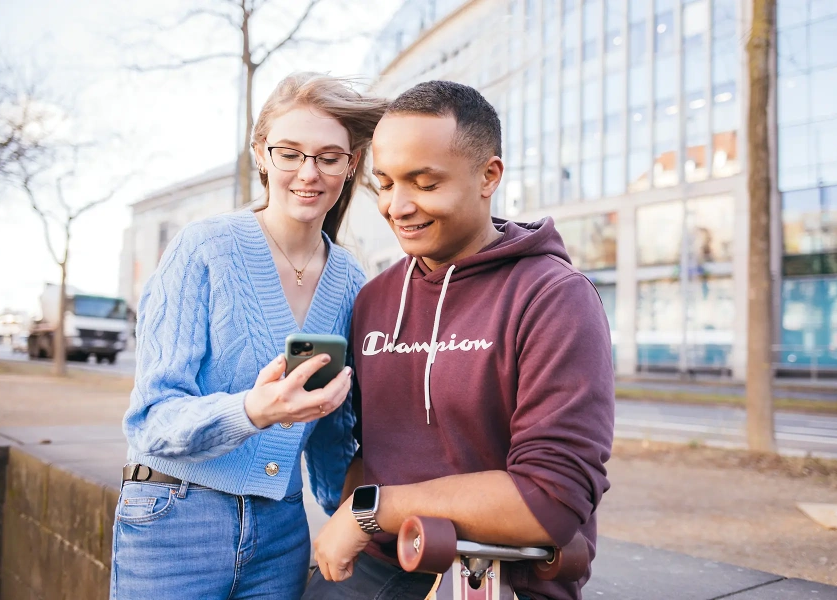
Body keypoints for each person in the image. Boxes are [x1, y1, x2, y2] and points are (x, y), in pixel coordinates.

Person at [304, 81, 615, 600]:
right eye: (384, 183)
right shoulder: (375, 298)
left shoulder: (554, 298)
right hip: (372, 570)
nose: (397, 207)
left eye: (424, 183)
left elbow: (551, 499)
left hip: (491, 579)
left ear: (488, 175)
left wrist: (369, 510)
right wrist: (353, 510)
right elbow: (366, 446)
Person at [111, 72, 387, 600]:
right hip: (175, 518)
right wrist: (254, 411)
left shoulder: (352, 281)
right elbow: (151, 420)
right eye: (290, 153)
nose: (308, 173)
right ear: (261, 154)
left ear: (351, 164)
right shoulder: (203, 249)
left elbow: (332, 435)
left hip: (281, 532)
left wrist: (353, 516)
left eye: (329, 157)